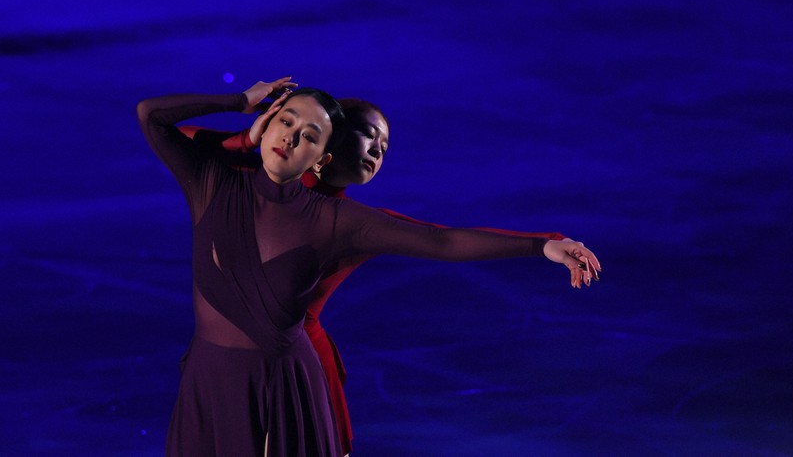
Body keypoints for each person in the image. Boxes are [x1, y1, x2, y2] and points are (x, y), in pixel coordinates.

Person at [137, 77, 601, 457]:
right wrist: (240, 109)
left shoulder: (340, 220)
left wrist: (543, 245)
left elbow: (441, 240)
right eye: (286, 122)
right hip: (212, 375)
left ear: (322, 156)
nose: (378, 151)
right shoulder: (216, 180)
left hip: (281, 374)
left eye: (310, 135)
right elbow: (154, 118)